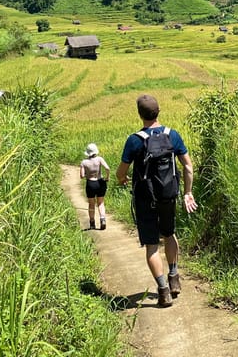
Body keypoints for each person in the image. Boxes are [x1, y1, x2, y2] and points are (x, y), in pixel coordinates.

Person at [116, 94, 198, 308]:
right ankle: (174, 278)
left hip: (145, 198)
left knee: (152, 245)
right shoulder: (173, 135)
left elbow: (121, 172)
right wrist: (188, 192)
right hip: (168, 195)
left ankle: (163, 291)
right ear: (159, 111)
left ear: (139, 114)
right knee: (169, 233)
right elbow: (188, 167)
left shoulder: (134, 140)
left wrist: (122, 179)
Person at [80, 142, 111, 230]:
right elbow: (107, 168)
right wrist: (107, 177)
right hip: (100, 182)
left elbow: (82, 176)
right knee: (100, 203)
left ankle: (92, 222)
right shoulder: (99, 159)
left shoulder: (84, 162)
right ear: (95, 151)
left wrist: (87, 174)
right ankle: (102, 219)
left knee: (91, 204)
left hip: (90, 184)